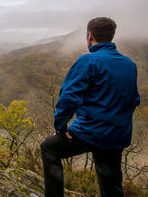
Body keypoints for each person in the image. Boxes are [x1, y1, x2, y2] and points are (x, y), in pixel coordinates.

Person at [40, 17, 140, 197]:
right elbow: (134, 100)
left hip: (91, 132)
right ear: (111, 36)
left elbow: (69, 97)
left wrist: (61, 127)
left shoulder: (88, 61)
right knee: (111, 182)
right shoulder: (130, 65)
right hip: (117, 135)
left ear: (90, 36)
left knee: (49, 148)